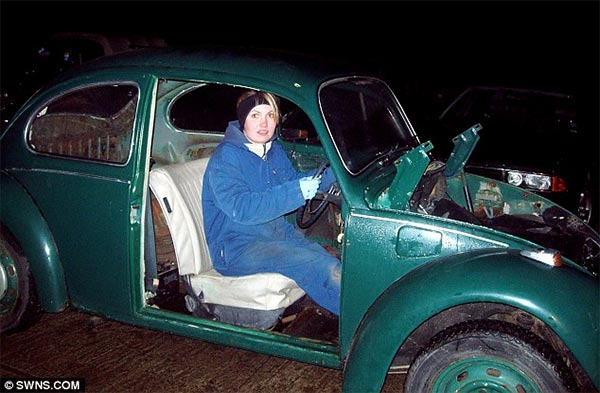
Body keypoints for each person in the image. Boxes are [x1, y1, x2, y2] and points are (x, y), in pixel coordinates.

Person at [202, 90, 341, 315]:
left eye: (270, 115)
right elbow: (241, 209)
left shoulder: (272, 149)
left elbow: (291, 182)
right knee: (318, 265)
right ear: (242, 120)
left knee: (328, 258)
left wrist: (334, 173)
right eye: (255, 115)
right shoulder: (226, 157)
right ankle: (363, 323)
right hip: (236, 247)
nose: (264, 123)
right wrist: (297, 192)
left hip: (274, 234)